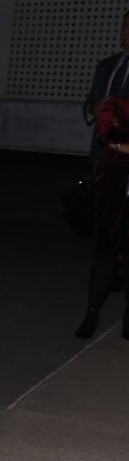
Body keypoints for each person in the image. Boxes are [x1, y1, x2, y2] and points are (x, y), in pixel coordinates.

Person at [75, 94, 129, 339]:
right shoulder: (115, 104)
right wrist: (119, 144)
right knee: (106, 255)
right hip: (114, 194)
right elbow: (107, 136)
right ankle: (92, 313)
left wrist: (122, 143)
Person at [84, 11, 129, 177]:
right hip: (101, 152)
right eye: (124, 25)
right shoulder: (106, 65)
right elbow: (90, 102)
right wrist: (94, 109)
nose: (126, 30)